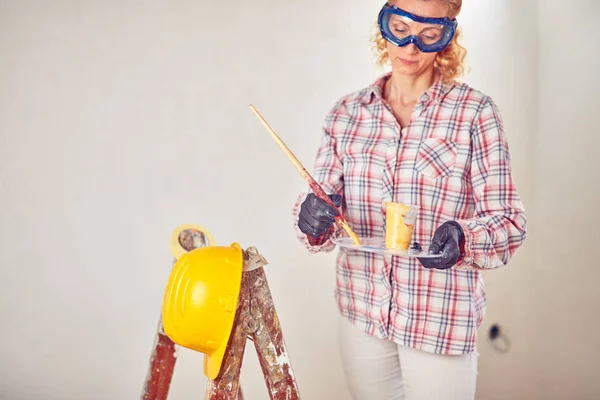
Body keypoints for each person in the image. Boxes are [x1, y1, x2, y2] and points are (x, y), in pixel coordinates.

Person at [291, 0, 527, 399]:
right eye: (400, 28)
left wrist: (461, 238)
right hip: (361, 313)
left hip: (439, 320)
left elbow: (509, 223)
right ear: (384, 26)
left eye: (429, 35)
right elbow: (322, 207)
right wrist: (310, 217)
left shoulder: (475, 113)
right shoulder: (346, 114)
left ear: (448, 38)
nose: (411, 47)